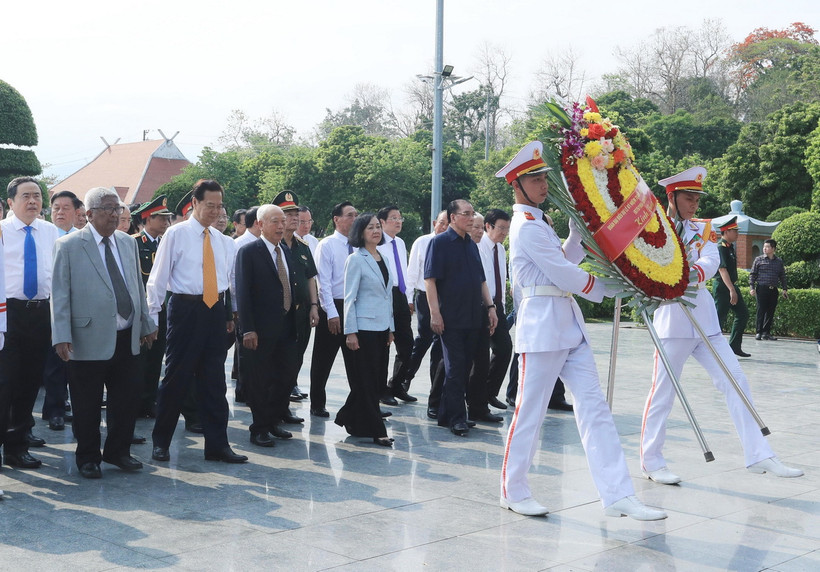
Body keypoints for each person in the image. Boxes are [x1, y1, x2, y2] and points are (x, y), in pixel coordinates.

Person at [497, 141, 666, 520]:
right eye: (535, 179)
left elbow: (563, 259)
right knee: (530, 413)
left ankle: (618, 493)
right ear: (517, 185)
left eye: (544, 177)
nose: (544, 185)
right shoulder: (525, 227)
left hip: (567, 324)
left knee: (595, 410)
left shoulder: (540, 224)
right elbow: (563, 273)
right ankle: (513, 489)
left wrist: (576, 236)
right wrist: (612, 287)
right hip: (541, 327)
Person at [641, 166, 802, 486]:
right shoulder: (654, 229)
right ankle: (651, 460)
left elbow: (711, 259)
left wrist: (688, 275)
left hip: (705, 323)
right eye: (689, 198)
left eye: (697, 199)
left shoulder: (703, 229)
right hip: (672, 322)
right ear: (671, 198)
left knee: (736, 380)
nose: (694, 205)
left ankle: (758, 453)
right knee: (663, 393)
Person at [51, 187, 157, 478]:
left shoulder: (127, 242)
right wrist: (61, 335)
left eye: (118, 209)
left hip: (127, 336)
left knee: (126, 399)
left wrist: (145, 324)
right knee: (86, 402)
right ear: (89, 213)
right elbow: (59, 294)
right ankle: (88, 457)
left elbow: (137, 287)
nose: (115, 215)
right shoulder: (69, 245)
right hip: (86, 337)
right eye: (109, 209)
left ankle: (118, 451)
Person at [146, 179, 247, 464]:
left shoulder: (223, 241)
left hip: (214, 312)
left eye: (219, 206)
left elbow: (228, 282)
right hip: (185, 310)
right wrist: (152, 318)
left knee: (214, 381)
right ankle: (161, 442)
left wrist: (230, 314)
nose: (215, 211)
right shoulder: (176, 234)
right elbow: (158, 278)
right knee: (176, 378)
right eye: (209, 205)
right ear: (195, 203)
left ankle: (217, 445)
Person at [0, 177, 60, 469]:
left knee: (29, 383)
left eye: (37, 195)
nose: (33, 201)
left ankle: (16, 447)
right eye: (26, 196)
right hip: (7, 314)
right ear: (11, 202)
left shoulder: (50, 232)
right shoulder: (1, 231)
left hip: (40, 313)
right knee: (4, 383)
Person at [425, 199, 498, 436]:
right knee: (455, 367)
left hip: (474, 315)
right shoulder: (439, 243)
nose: (471, 218)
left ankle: (448, 413)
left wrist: (490, 307)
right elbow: (430, 281)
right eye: (466, 214)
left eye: (472, 213)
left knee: (465, 366)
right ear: (453, 217)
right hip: (450, 317)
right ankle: (457, 418)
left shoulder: (471, 244)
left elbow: (481, 280)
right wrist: (435, 314)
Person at [235, 205, 300, 446]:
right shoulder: (249, 252)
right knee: (259, 381)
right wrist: (248, 328)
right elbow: (243, 292)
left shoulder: (285, 250)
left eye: (283, 221)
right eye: (275, 221)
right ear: (260, 224)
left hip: (286, 325)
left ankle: (273, 421)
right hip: (260, 329)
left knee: (285, 376)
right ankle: (259, 428)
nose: (281, 226)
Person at [336, 213, 394, 446]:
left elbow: (388, 296)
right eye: (370, 227)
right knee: (367, 380)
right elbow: (349, 298)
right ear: (360, 232)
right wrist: (350, 331)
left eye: (378, 226)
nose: (376, 231)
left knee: (375, 379)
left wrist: (391, 328)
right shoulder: (356, 259)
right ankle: (377, 430)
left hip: (382, 327)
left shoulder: (383, 257)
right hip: (363, 328)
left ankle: (349, 418)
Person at [309, 201, 358, 417]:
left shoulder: (360, 245)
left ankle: (361, 403)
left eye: (356, 215)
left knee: (356, 361)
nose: (354, 219)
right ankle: (317, 403)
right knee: (323, 359)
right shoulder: (327, 245)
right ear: (336, 219)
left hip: (354, 306)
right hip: (332, 306)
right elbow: (323, 283)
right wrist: (331, 313)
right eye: (349, 215)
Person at [42, 190, 83, 430]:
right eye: (56, 208)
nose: (59, 212)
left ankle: (79, 410)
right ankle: (55, 409)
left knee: (78, 363)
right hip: (52, 306)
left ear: (77, 212)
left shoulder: (84, 238)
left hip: (81, 308)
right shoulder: (45, 237)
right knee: (55, 361)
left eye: (65, 208)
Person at [273, 192, 318, 406]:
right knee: (279, 358)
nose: (294, 218)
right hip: (280, 313)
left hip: (302, 311)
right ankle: (276, 403)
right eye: (288, 214)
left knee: (297, 355)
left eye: (295, 214)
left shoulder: (303, 247)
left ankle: (288, 394)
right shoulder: (272, 246)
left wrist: (314, 306)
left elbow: (310, 278)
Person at [131, 196, 173, 419]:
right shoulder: (134, 243)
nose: (166, 222)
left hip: (163, 309)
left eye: (167, 218)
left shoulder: (166, 243)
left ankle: (149, 400)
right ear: (148, 219)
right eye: (161, 218)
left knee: (157, 357)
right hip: (143, 310)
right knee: (140, 359)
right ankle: (136, 401)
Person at [404, 211, 448, 411]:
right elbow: (412, 272)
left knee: (439, 343)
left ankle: (435, 389)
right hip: (424, 296)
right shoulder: (422, 242)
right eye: (442, 223)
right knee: (424, 338)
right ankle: (406, 377)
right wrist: (408, 298)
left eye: (448, 223)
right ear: (434, 223)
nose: (444, 227)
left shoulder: (451, 244)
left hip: (445, 298)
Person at [376, 206, 416, 405]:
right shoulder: (376, 242)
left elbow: (404, 272)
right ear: (382, 222)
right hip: (383, 295)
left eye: (400, 218)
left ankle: (396, 384)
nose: (398, 221)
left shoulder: (399, 242)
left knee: (407, 344)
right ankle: (381, 391)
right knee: (384, 344)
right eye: (393, 218)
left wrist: (409, 298)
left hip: (400, 295)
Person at [477, 209, 514, 411]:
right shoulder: (478, 245)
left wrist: (501, 307)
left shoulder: (500, 249)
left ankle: (489, 393)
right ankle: (476, 399)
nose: (504, 232)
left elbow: (500, 279)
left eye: (507, 228)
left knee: (504, 349)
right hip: (482, 305)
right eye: (501, 228)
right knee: (480, 355)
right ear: (488, 226)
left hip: (497, 306)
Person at [713, 217, 750, 357]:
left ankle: (734, 346)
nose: (737, 234)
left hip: (731, 286)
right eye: (735, 231)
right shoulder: (721, 247)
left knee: (743, 313)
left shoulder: (730, 247)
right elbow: (722, 270)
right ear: (726, 231)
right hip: (723, 287)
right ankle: (713, 349)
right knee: (719, 318)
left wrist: (733, 288)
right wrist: (731, 290)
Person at [750, 238, 788, 341]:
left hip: (773, 289)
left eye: (767, 247)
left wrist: (784, 289)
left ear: (773, 248)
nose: (765, 249)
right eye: (764, 247)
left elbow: (782, 276)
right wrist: (752, 287)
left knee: (770, 311)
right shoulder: (759, 260)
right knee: (761, 310)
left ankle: (766, 333)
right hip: (762, 288)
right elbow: (753, 274)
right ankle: (758, 332)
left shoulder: (779, 261)